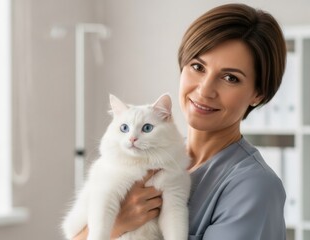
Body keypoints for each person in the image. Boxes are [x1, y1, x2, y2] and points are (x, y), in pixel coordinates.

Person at [72, 3, 287, 240]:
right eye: (197, 66)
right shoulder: (153, 157)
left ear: (259, 93)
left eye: (230, 78)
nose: (205, 90)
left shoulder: (254, 187)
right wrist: (116, 225)